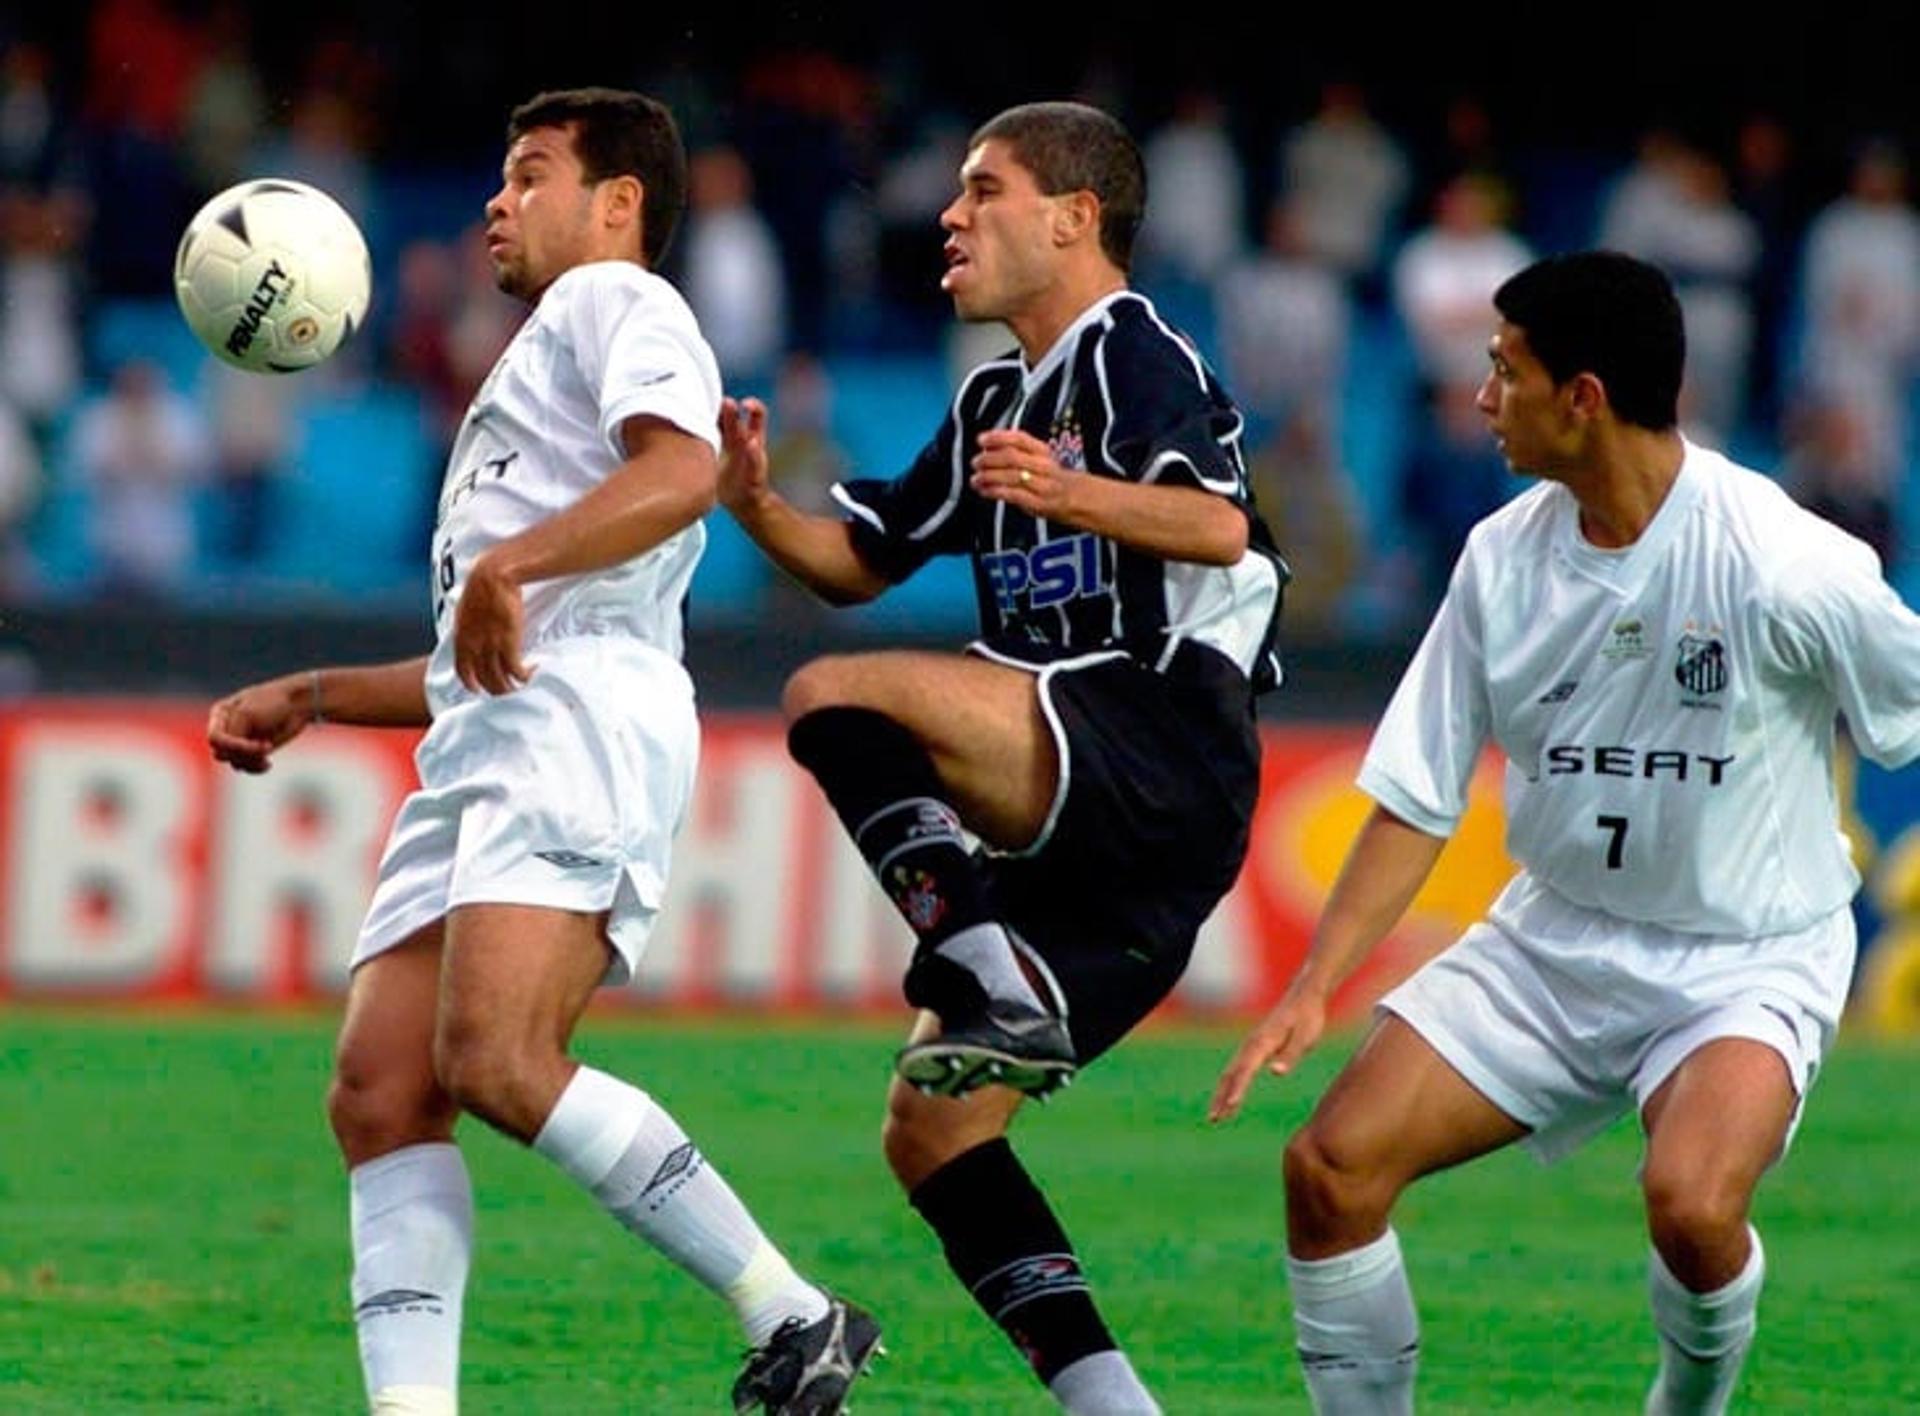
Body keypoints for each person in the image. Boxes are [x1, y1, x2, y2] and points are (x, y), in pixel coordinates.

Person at [205, 88, 878, 1416]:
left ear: (617, 202)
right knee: (380, 1091)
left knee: (498, 1060)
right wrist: (321, 691)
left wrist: (511, 560)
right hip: (491, 737)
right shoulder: (529, 367)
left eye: (530, 175)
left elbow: (686, 468)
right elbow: (486, 645)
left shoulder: (618, 306)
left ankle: (790, 1311)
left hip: (580, 728)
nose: (496, 202)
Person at [1210, 250, 1920, 1415]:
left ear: (1582, 396)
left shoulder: (1782, 563)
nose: (1482, 400)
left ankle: (1684, 1406)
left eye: (1504, 372)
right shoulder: (1501, 558)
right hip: (1554, 942)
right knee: (1328, 1171)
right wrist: (1314, 986)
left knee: (1692, 1206)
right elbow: (1417, 792)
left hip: (1746, 957)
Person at [719, 101, 1287, 1414]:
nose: (951, 216)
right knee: (930, 1131)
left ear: (1073, 219)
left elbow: (1218, 533)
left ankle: (978, 961)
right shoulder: (995, 399)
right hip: (1114, 839)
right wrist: (749, 500)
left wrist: (1070, 491)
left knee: (831, 699)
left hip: (1159, 740)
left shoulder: (1133, 354)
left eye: (985, 190)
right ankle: (1115, 1408)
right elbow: (856, 565)